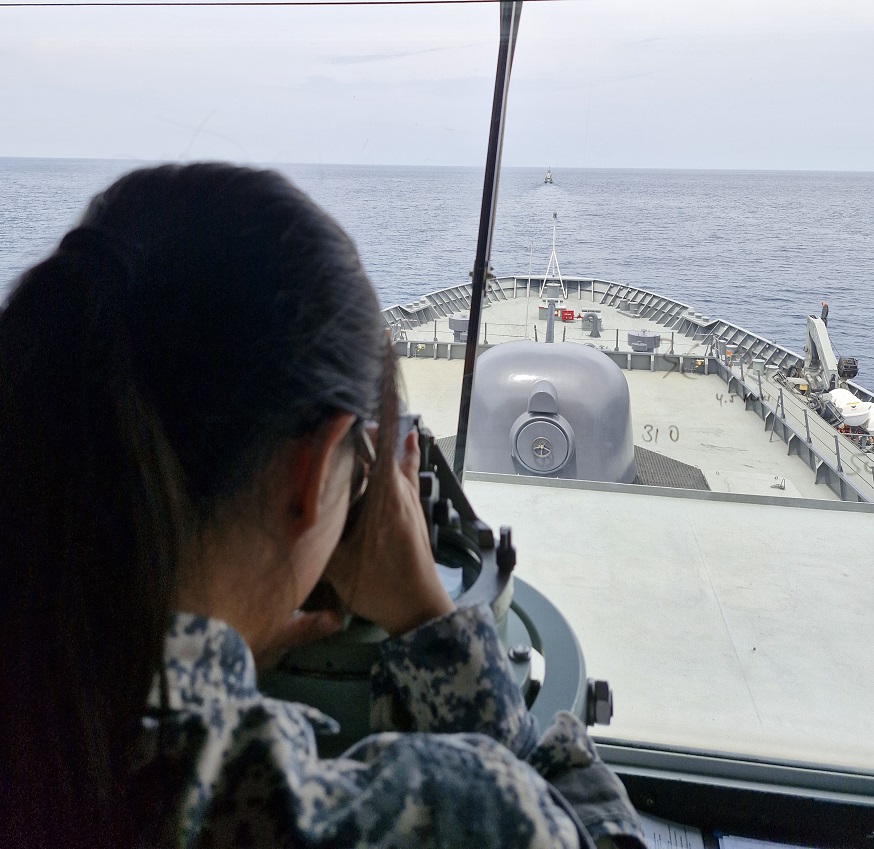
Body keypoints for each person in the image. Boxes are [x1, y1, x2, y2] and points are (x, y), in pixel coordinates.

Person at [0, 163, 644, 849]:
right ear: (312, 475)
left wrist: (231, 633)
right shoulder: (439, 817)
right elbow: (592, 831)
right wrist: (434, 619)